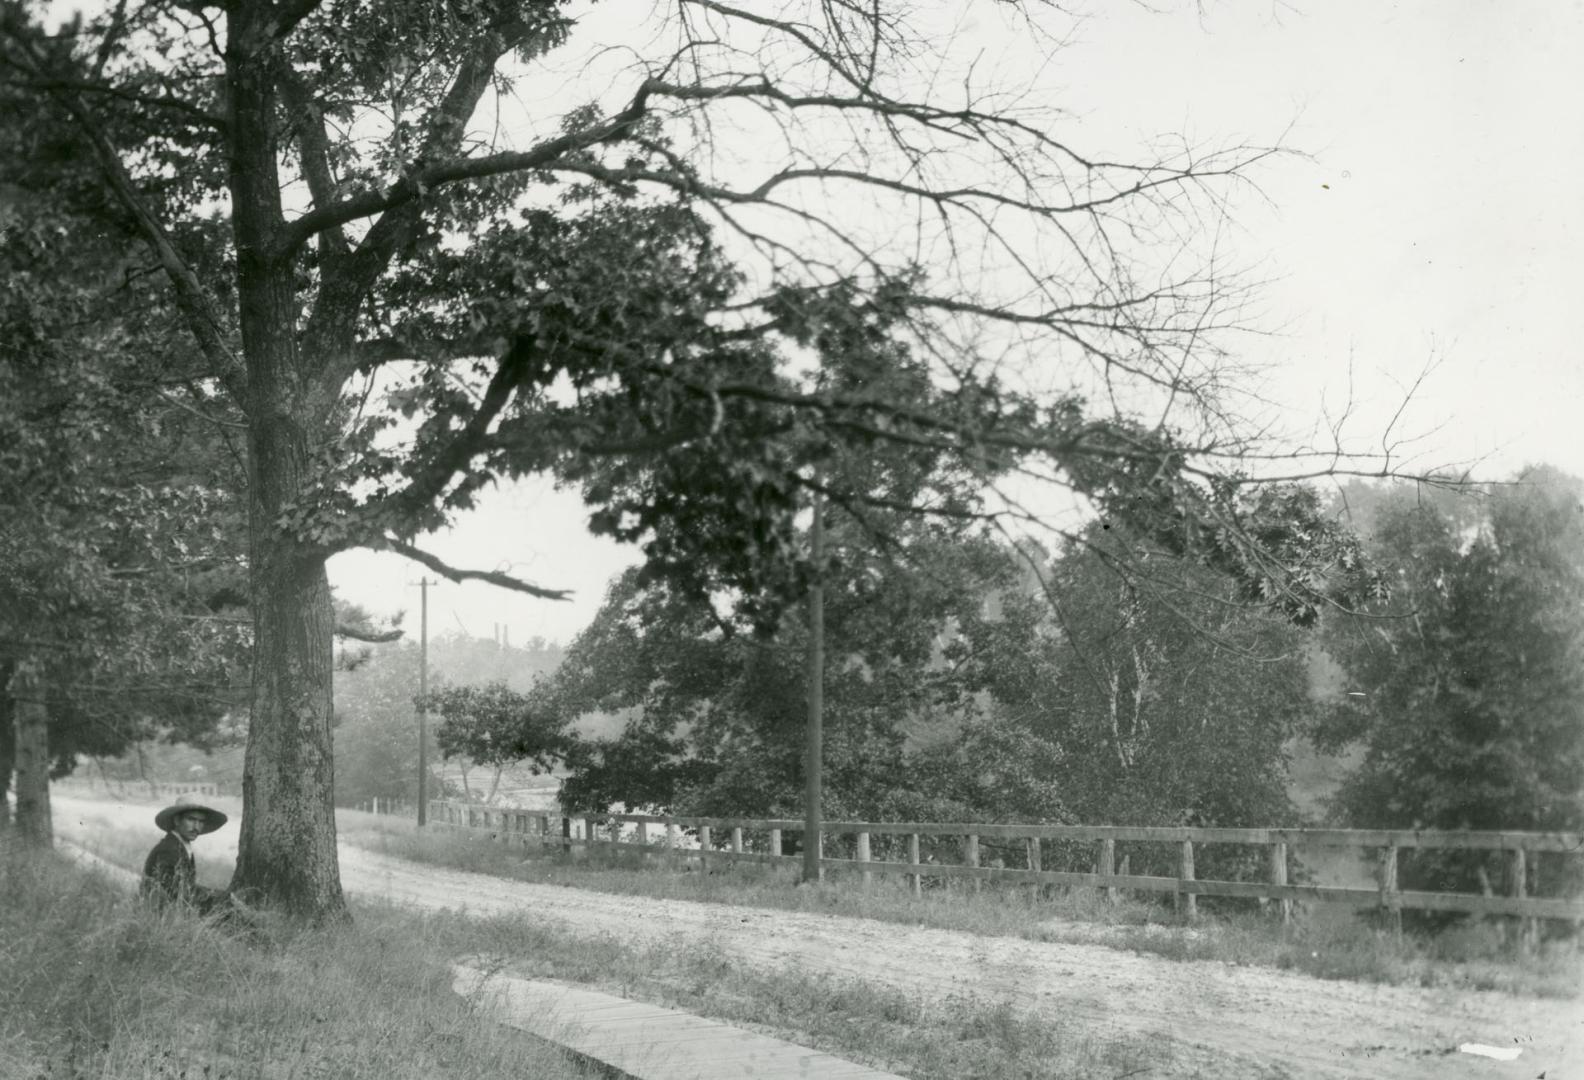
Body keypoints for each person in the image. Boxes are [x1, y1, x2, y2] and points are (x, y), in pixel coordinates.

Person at [140, 800, 233, 915]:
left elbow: (185, 888)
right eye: (191, 819)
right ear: (177, 820)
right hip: (162, 915)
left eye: (201, 821)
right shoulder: (169, 849)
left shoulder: (181, 845)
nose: (196, 827)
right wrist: (218, 897)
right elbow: (176, 892)